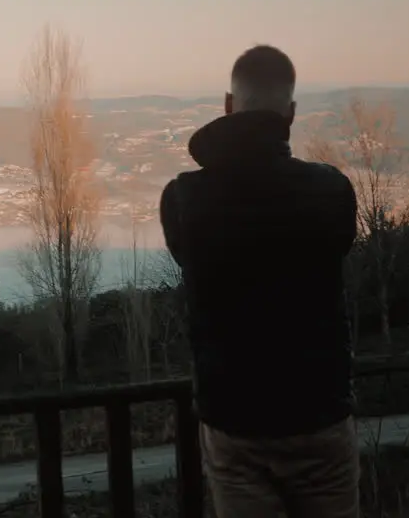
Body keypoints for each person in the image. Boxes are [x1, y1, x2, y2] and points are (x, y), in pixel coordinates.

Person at [159, 45, 360, 517]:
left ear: (229, 104)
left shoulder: (183, 200)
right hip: (320, 415)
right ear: (290, 114)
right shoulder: (332, 192)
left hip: (235, 424)